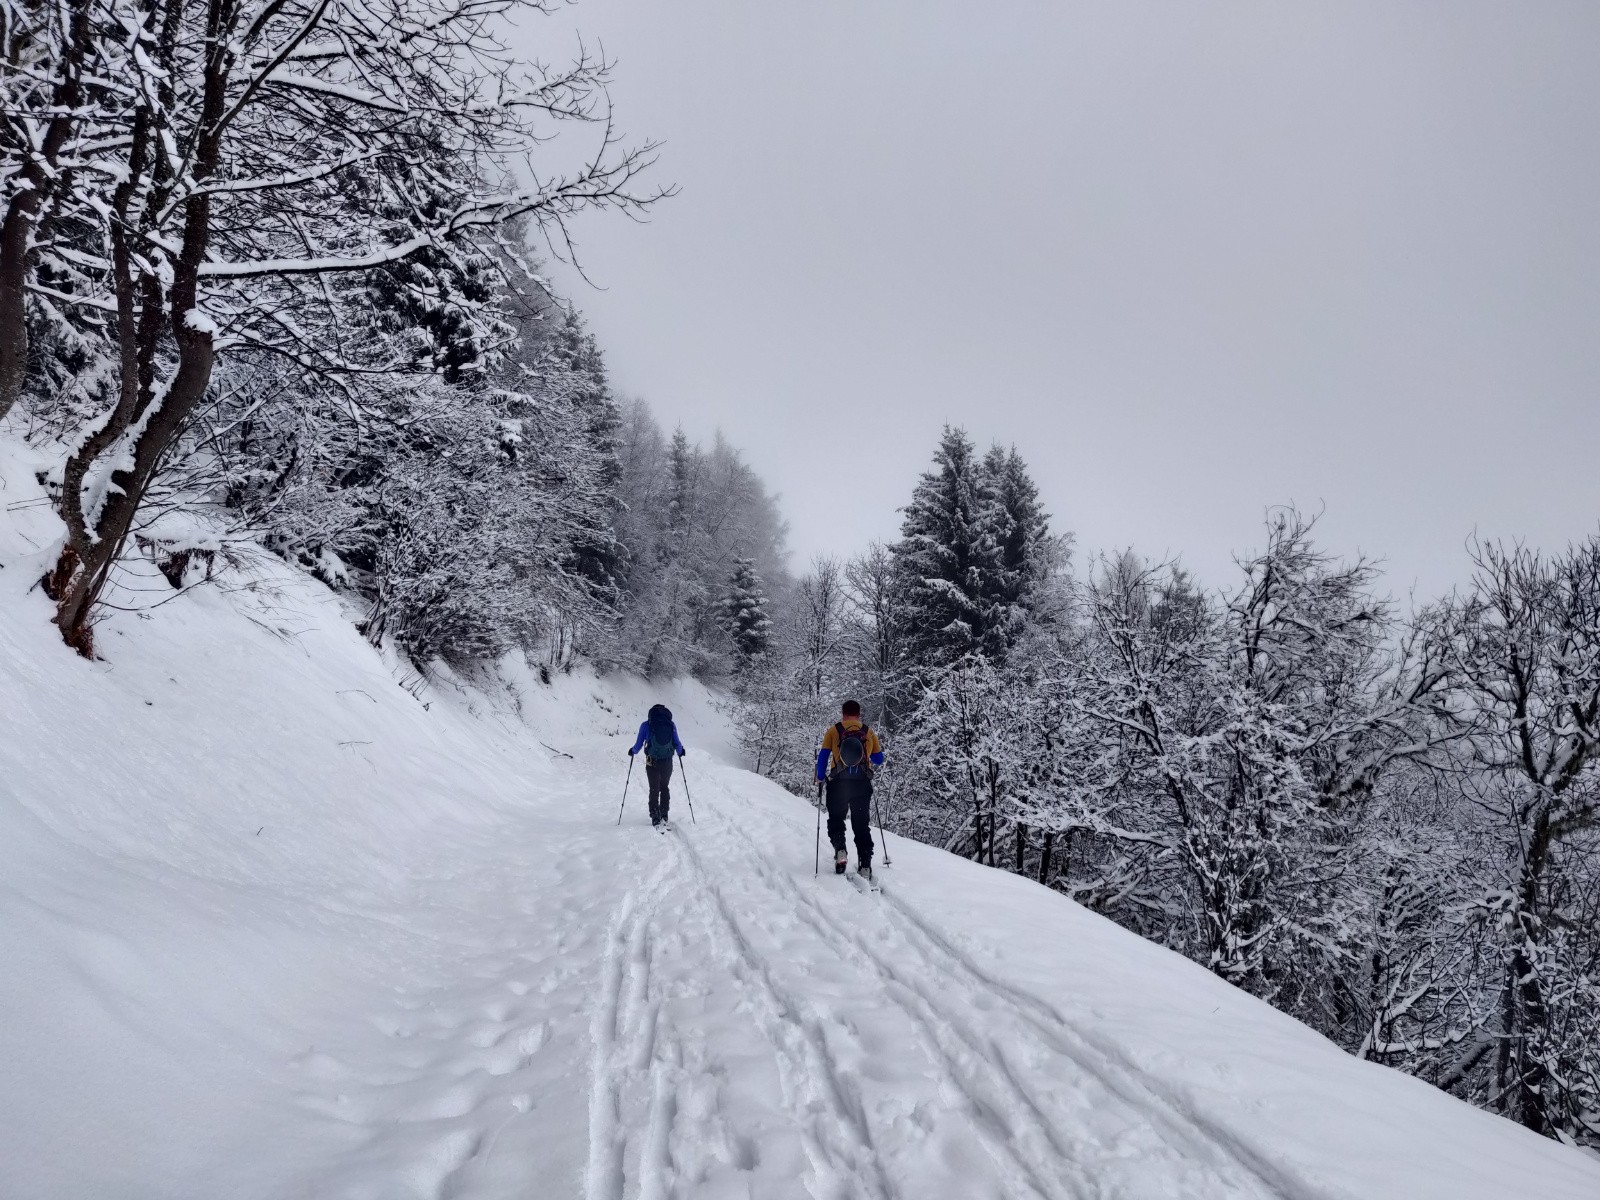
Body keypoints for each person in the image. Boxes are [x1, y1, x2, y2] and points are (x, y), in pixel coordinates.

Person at [816, 699, 884, 878]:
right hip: (861, 785)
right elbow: (878, 759)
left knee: (836, 819)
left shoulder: (834, 730)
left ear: (843, 713)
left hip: (838, 784)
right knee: (861, 824)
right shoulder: (868, 732)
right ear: (859, 714)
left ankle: (840, 851)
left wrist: (820, 777)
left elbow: (823, 757)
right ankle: (865, 864)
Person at [629, 704, 686, 828]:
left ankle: (655, 816)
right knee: (664, 787)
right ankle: (664, 814)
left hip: (651, 760)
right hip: (667, 761)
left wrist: (633, 751)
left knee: (654, 788)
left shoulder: (646, 725)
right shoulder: (671, 724)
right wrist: (681, 751)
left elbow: (639, 743)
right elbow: (677, 742)